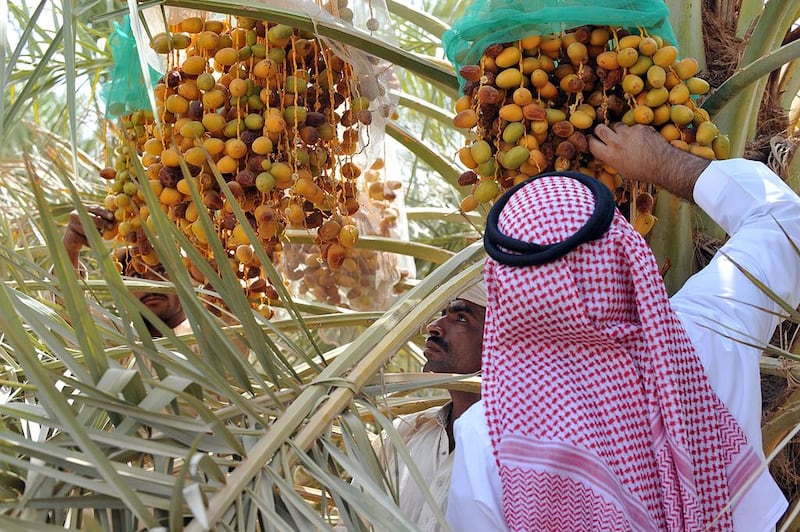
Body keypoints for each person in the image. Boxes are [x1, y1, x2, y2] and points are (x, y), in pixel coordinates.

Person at [446, 123, 800, 531]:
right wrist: (662, 162)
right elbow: (783, 224)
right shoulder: (706, 336)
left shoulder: (489, 437)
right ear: (624, 250)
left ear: (504, 284)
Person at [375, 281, 485, 531]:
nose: (433, 327)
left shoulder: (516, 456)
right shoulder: (403, 434)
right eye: (442, 314)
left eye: (461, 318)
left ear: (499, 343)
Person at [62, 205, 189, 337]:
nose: (150, 284)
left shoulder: (208, 335)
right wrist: (69, 251)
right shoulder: (117, 342)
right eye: (137, 276)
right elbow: (70, 311)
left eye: (161, 271)